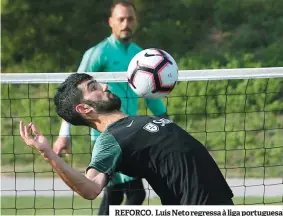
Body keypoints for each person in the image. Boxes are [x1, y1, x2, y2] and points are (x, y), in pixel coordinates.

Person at [20, 73, 234, 205]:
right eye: (93, 88)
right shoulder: (110, 140)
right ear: (84, 108)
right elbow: (91, 188)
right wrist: (48, 154)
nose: (104, 86)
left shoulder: (135, 120)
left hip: (220, 203)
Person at [52, 1, 167, 214]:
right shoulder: (97, 53)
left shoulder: (139, 55)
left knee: (115, 194)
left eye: (130, 19)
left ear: (136, 21)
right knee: (135, 193)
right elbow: (72, 95)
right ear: (111, 22)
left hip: (133, 133)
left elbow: (148, 93)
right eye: (121, 19)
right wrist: (63, 135)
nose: (126, 23)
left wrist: (165, 118)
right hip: (108, 135)